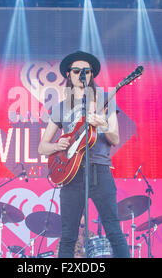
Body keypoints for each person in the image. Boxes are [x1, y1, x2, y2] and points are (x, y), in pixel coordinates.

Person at [38, 51, 130, 258]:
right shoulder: (61, 108)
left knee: (113, 230)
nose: (82, 74)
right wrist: (57, 145)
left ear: (91, 75)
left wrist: (103, 123)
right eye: (77, 71)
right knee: (69, 235)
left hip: (99, 169)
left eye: (86, 71)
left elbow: (114, 138)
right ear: (69, 75)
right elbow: (42, 147)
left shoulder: (105, 100)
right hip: (70, 174)